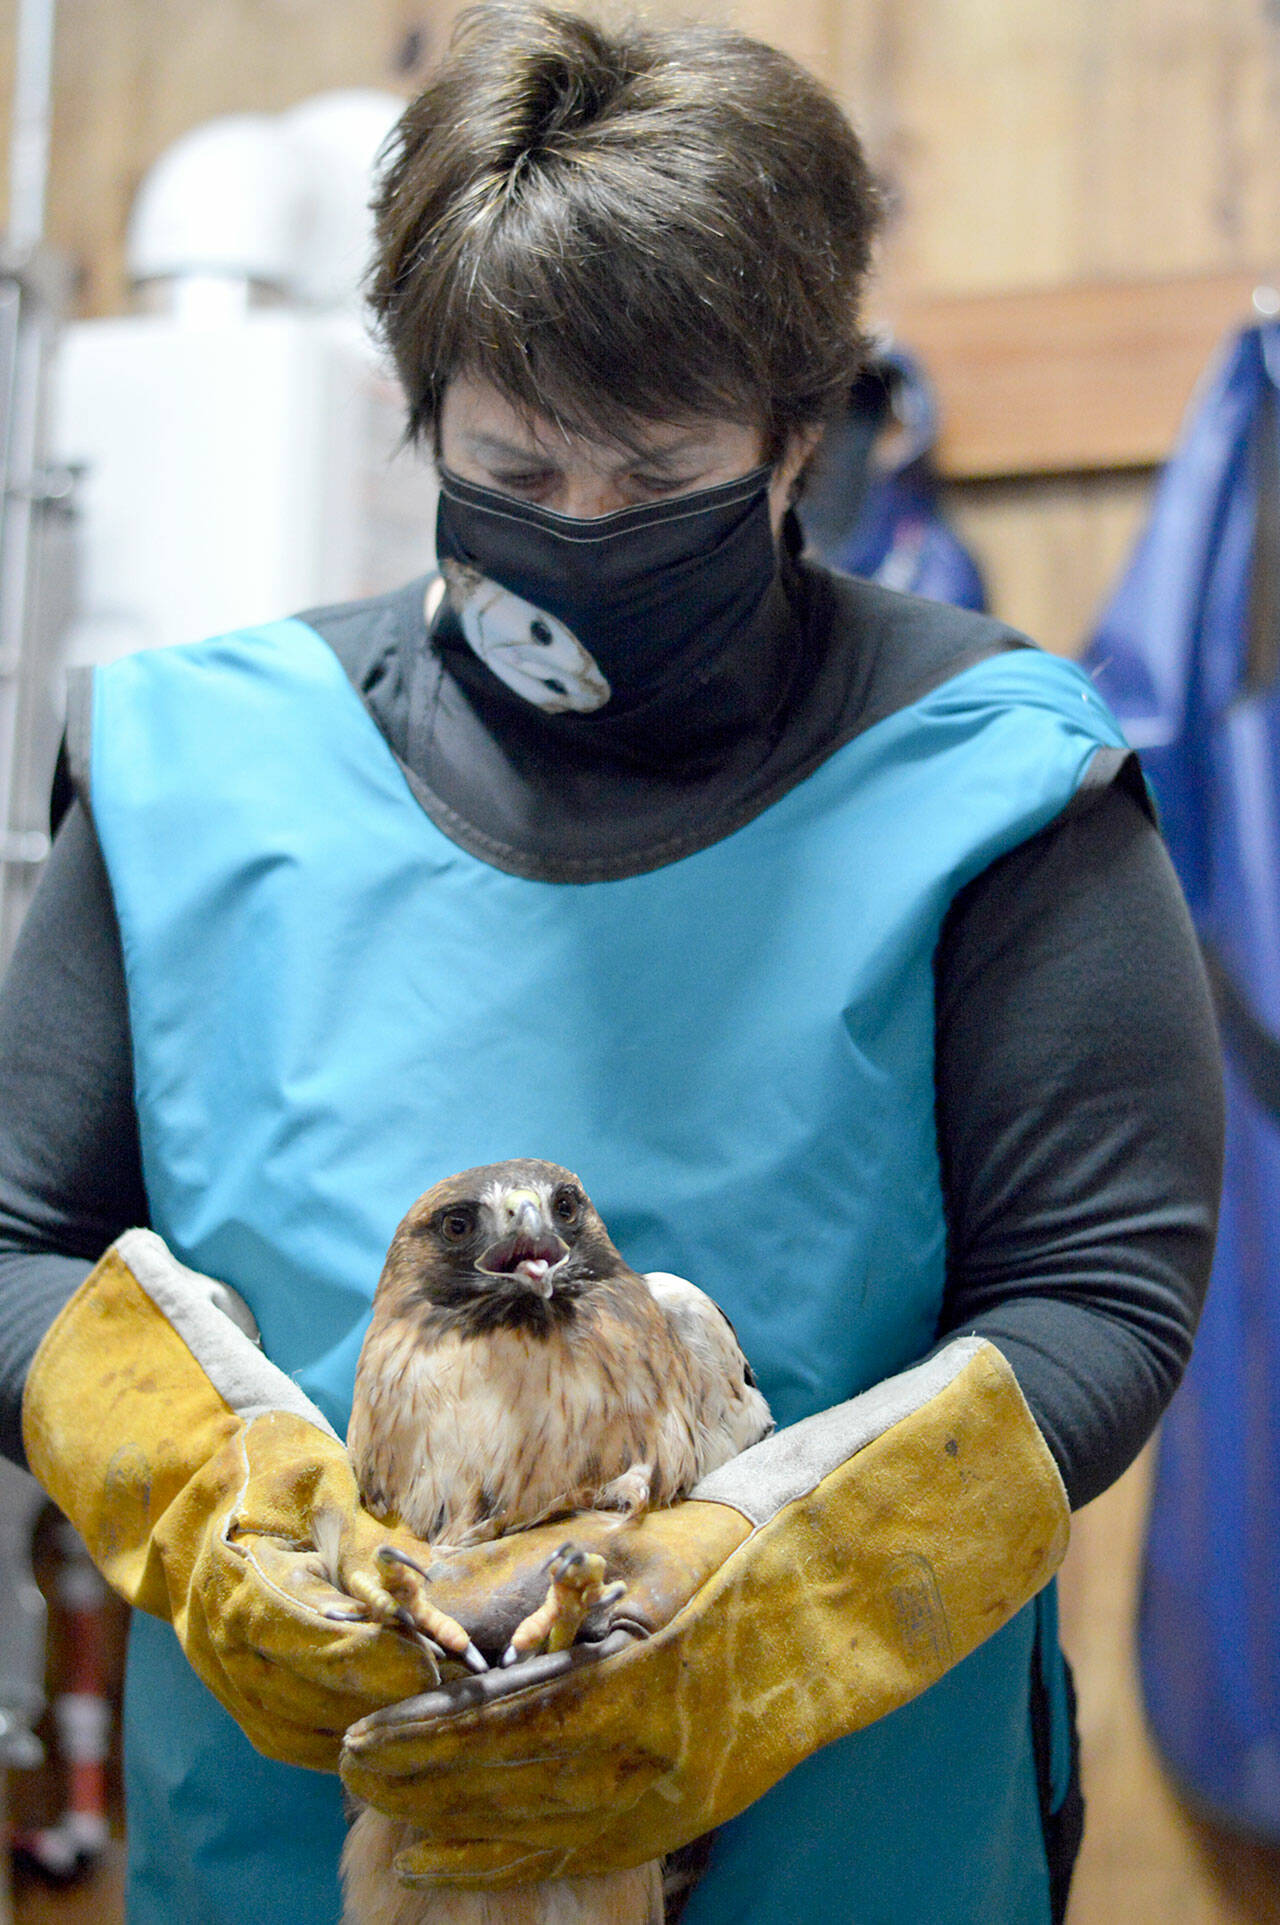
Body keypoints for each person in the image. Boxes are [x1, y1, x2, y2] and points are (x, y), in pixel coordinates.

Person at [0, 7, 1222, 1924]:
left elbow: (1103, 1289)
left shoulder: (993, 780)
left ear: (796, 435)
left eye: (653, 472)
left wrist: (773, 1592)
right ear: (420, 414)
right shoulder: (184, 777)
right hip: (299, 1858)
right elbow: (11, 1234)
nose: (577, 526)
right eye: (513, 462)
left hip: (843, 1853)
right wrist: (204, 1513)